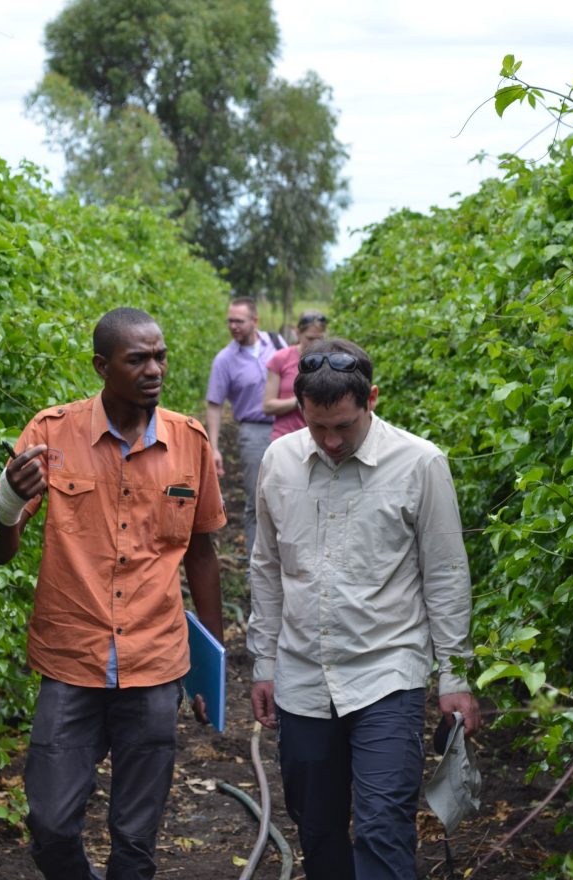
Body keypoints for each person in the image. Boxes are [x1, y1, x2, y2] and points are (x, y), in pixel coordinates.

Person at [0, 307, 226, 880]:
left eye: (160, 356)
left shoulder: (189, 442)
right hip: (72, 658)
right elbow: (3, 549)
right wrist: (6, 505)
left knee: (135, 840)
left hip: (155, 661)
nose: (154, 370)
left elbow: (200, 554)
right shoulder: (50, 434)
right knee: (49, 825)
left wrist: (210, 670)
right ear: (102, 366)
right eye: (137, 359)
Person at [247, 338, 481, 880]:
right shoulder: (278, 461)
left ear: (370, 399)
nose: (330, 441)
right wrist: (264, 663)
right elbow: (266, 566)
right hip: (303, 673)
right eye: (317, 426)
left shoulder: (420, 463)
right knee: (317, 823)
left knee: (382, 823)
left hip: (387, 671)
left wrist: (454, 676)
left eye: (344, 427)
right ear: (299, 407)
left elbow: (446, 572)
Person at [205, 296, 282, 558]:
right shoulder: (224, 360)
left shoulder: (277, 345)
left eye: (239, 321)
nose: (233, 326)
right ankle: (257, 566)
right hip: (253, 431)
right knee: (257, 499)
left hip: (289, 425)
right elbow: (214, 404)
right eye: (230, 321)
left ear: (254, 321)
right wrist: (213, 448)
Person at [262, 311, 327, 441]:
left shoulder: (331, 360)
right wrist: (300, 401)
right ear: (298, 333)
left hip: (320, 438)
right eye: (310, 338)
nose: (315, 344)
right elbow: (268, 406)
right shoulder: (281, 358)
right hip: (285, 436)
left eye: (319, 338)